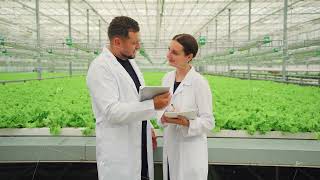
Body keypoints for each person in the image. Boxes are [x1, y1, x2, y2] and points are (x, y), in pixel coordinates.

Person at [86, 16, 171, 180]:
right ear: (117, 42)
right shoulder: (100, 67)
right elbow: (112, 112)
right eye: (134, 42)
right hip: (120, 154)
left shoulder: (130, 62)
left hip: (139, 145)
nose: (138, 46)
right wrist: (152, 105)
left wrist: (148, 127)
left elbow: (135, 99)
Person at [159, 34, 214, 180]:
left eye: (175, 53)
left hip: (191, 152)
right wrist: (162, 116)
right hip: (171, 146)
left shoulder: (199, 83)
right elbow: (161, 109)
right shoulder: (167, 78)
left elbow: (209, 122)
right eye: (169, 49)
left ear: (189, 56)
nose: (168, 55)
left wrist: (188, 123)